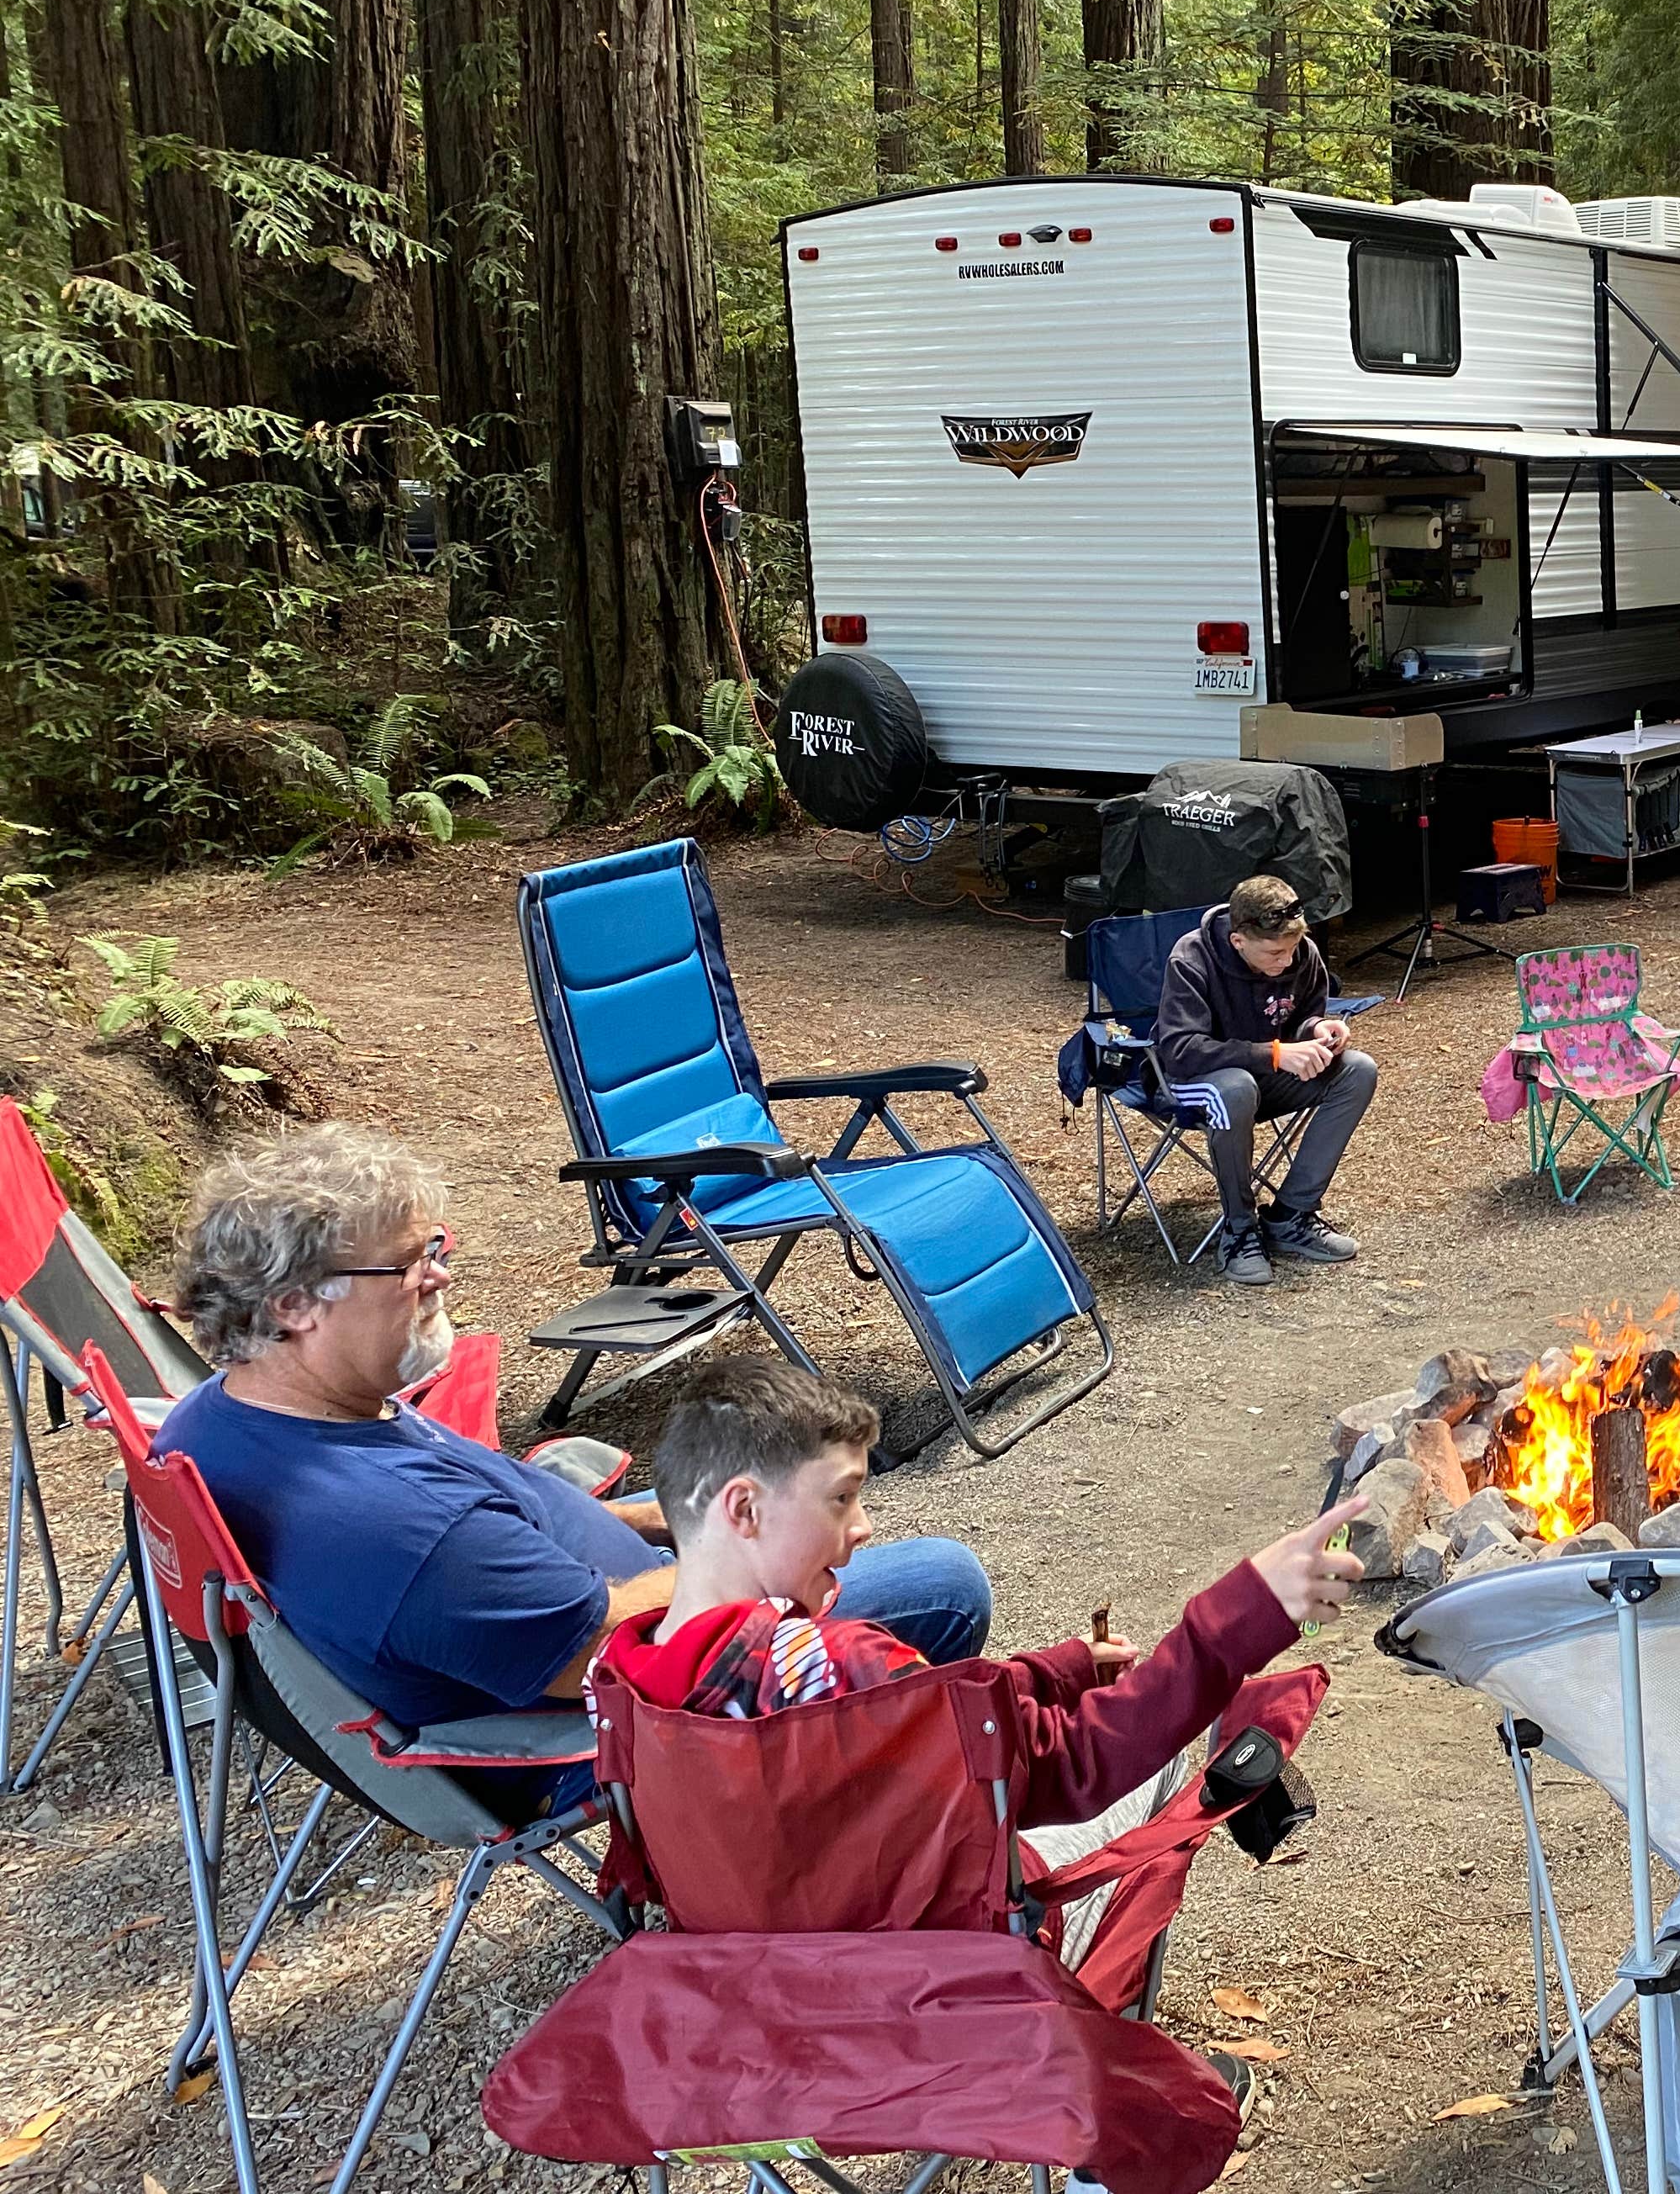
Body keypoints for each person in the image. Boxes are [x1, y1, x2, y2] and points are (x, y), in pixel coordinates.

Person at [595, 1355, 1364, 2172]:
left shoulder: (621, 1687)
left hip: (755, 2028)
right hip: (930, 2022)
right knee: (1164, 1753)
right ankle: (1106, 2137)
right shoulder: (839, 1670)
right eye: (841, 1498)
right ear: (743, 1508)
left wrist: (1061, 1669)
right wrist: (1238, 1613)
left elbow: (950, 1717)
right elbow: (1079, 1763)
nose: (861, 1531)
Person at [153, 1125, 995, 1798]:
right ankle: (831, 1818)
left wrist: (657, 1516)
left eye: (434, 1247)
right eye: (409, 1265)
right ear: (293, 1305)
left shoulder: (228, 1414)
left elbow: (503, 1524)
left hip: (567, 1612)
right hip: (600, 1718)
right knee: (942, 1583)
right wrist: (753, 1548)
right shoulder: (394, 1530)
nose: (441, 1275)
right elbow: (603, 1651)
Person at [1152, 875, 1378, 1287]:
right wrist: (1273, 1053)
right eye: (1275, 952)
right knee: (1237, 1087)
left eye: (1292, 949)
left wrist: (1320, 1029)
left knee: (1358, 1070)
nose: (1287, 962)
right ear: (1239, 941)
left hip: (1269, 1076)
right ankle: (1239, 1231)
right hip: (1197, 1082)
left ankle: (1290, 1216)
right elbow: (1180, 1050)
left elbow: (1302, 1017)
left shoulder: (1301, 953)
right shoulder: (1192, 958)